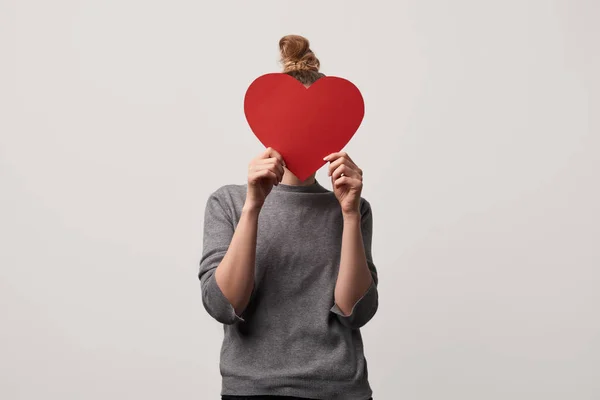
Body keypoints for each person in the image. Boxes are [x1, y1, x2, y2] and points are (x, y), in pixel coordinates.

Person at [199, 34, 378, 400]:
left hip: (340, 389)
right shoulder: (228, 203)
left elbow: (355, 312)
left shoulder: (353, 207)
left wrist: (347, 214)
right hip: (252, 389)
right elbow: (224, 305)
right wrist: (253, 206)